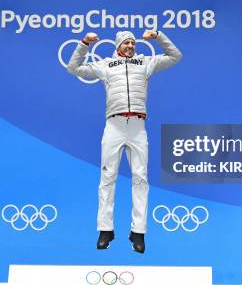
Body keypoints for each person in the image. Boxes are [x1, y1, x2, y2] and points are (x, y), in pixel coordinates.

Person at [66, 30, 182, 253]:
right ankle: (105, 230)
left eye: (133, 42)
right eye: (126, 43)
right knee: (107, 177)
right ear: (118, 45)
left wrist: (159, 36)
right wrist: (84, 44)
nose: (130, 45)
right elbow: (74, 68)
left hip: (138, 127)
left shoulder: (145, 63)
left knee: (141, 178)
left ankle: (138, 232)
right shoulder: (106, 65)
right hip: (114, 126)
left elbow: (175, 56)